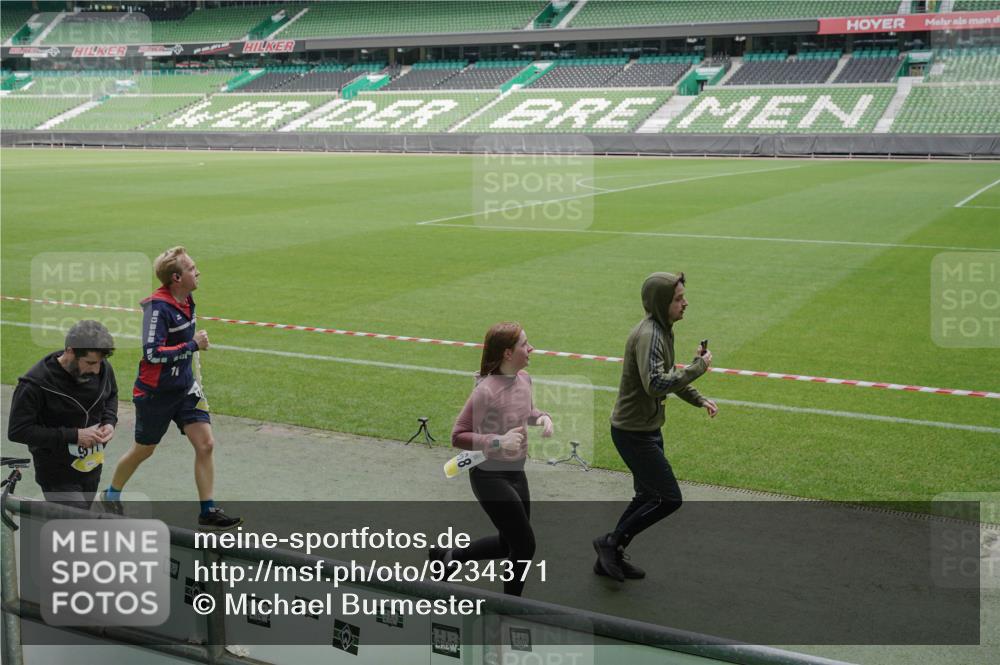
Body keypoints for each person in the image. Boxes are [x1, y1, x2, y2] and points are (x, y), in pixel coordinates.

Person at [101, 246, 241, 530]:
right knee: (145, 449)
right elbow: (152, 353)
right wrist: (192, 345)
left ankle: (208, 509)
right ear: (176, 278)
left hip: (185, 388)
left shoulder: (188, 299)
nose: (197, 271)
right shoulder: (158, 309)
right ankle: (111, 493)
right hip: (155, 393)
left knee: (206, 444)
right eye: (191, 268)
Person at [594, 272, 718, 582]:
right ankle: (610, 543)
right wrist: (698, 368)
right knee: (669, 498)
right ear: (661, 303)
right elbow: (656, 384)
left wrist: (698, 399)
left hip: (645, 428)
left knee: (647, 496)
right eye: (678, 298)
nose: (685, 303)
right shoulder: (650, 335)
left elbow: (668, 376)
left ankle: (610, 553)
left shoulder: (663, 331)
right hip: (633, 432)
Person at [433, 322, 554, 596]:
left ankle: (448, 558)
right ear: (508, 354)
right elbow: (457, 435)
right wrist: (498, 441)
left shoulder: (524, 379)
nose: (531, 348)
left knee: (507, 543)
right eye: (524, 344)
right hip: (488, 475)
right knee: (524, 546)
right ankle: (509, 609)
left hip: (516, 471)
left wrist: (542, 417)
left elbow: (526, 410)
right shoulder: (486, 390)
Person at [8, 320, 118, 510]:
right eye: (90, 363)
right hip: (56, 473)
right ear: (70, 351)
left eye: (99, 362)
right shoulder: (36, 383)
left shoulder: (102, 368)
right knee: (76, 524)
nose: (96, 369)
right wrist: (75, 435)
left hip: (91, 467)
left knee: (75, 525)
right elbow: (18, 430)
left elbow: (111, 395)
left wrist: (109, 421)